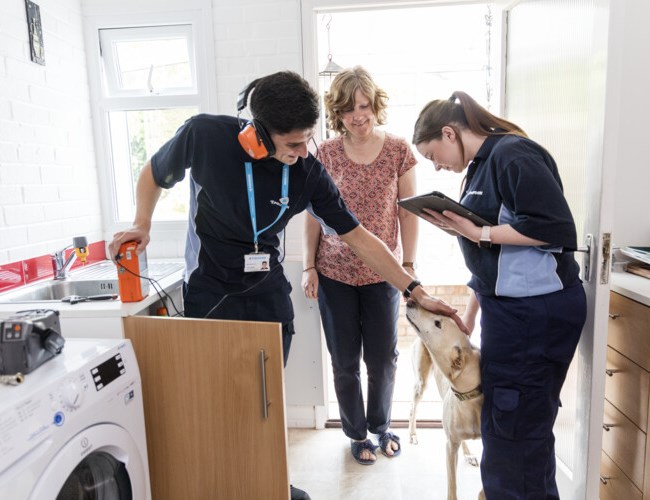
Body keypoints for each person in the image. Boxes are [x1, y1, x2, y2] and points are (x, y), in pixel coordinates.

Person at [108, 71, 466, 500]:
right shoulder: (205, 136)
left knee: (264, 399)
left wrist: (414, 289)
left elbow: (358, 237)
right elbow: (153, 174)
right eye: (293, 143)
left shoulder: (306, 172)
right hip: (211, 288)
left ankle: (268, 482)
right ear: (258, 133)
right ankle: (224, 485)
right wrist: (142, 224)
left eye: (308, 140)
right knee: (218, 399)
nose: (302, 152)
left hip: (267, 291)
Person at [411, 91, 587, 499]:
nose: (436, 164)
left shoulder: (513, 155)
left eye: (433, 154)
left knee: (514, 433)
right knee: (513, 431)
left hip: (536, 314)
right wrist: (471, 313)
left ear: (449, 133)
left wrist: (479, 232)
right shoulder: (480, 169)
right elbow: (492, 261)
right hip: (509, 314)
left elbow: (554, 228)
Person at [301, 66, 418, 465]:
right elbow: (312, 216)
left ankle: (382, 425)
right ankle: (356, 433)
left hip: (383, 273)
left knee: (383, 359)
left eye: (365, 106)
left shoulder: (398, 150)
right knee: (345, 361)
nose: (358, 116)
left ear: (375, 106)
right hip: (334, 272)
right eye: (349, 109)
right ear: (337, 113)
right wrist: (309, 266)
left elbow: (408, 213)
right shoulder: (325, 153)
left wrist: (408, 264)